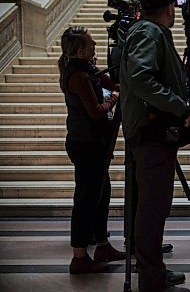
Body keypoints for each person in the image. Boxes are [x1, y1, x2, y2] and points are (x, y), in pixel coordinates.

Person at [120, 0, 190, 292]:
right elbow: (141, 77)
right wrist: (178, 105)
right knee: (152, 207)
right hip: (150, 135)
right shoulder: (148, 32)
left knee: (155, 205)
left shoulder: (149, 31)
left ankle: (155, 270)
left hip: (153, 134)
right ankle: (151, 279)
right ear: (168, 9)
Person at [58, 26, 125, 274]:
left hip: (92, 144)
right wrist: (113, 98)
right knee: (86, 198)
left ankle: (102, 244)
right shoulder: (79, 76)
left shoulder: (87, 71)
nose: (95, 47)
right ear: (79, 49)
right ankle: (79, 256)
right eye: (91, 44)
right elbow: (96, 112)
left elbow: (109, 80)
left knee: (101, 193)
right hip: (86, 144)